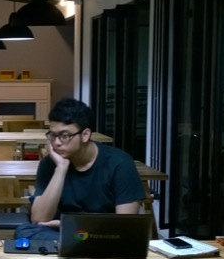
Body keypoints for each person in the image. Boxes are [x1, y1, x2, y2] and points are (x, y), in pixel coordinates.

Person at [21, 97, 146, 241]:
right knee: (24, 231)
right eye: (53, 135)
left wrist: (71, 227)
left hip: (104, 237)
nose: (57, 143)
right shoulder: (50, 163)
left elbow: (126, 224)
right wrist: (61, 168)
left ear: (85, 135)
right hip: (61, 234)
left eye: (64, 136)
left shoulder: (119, 163)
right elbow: (39, 219)